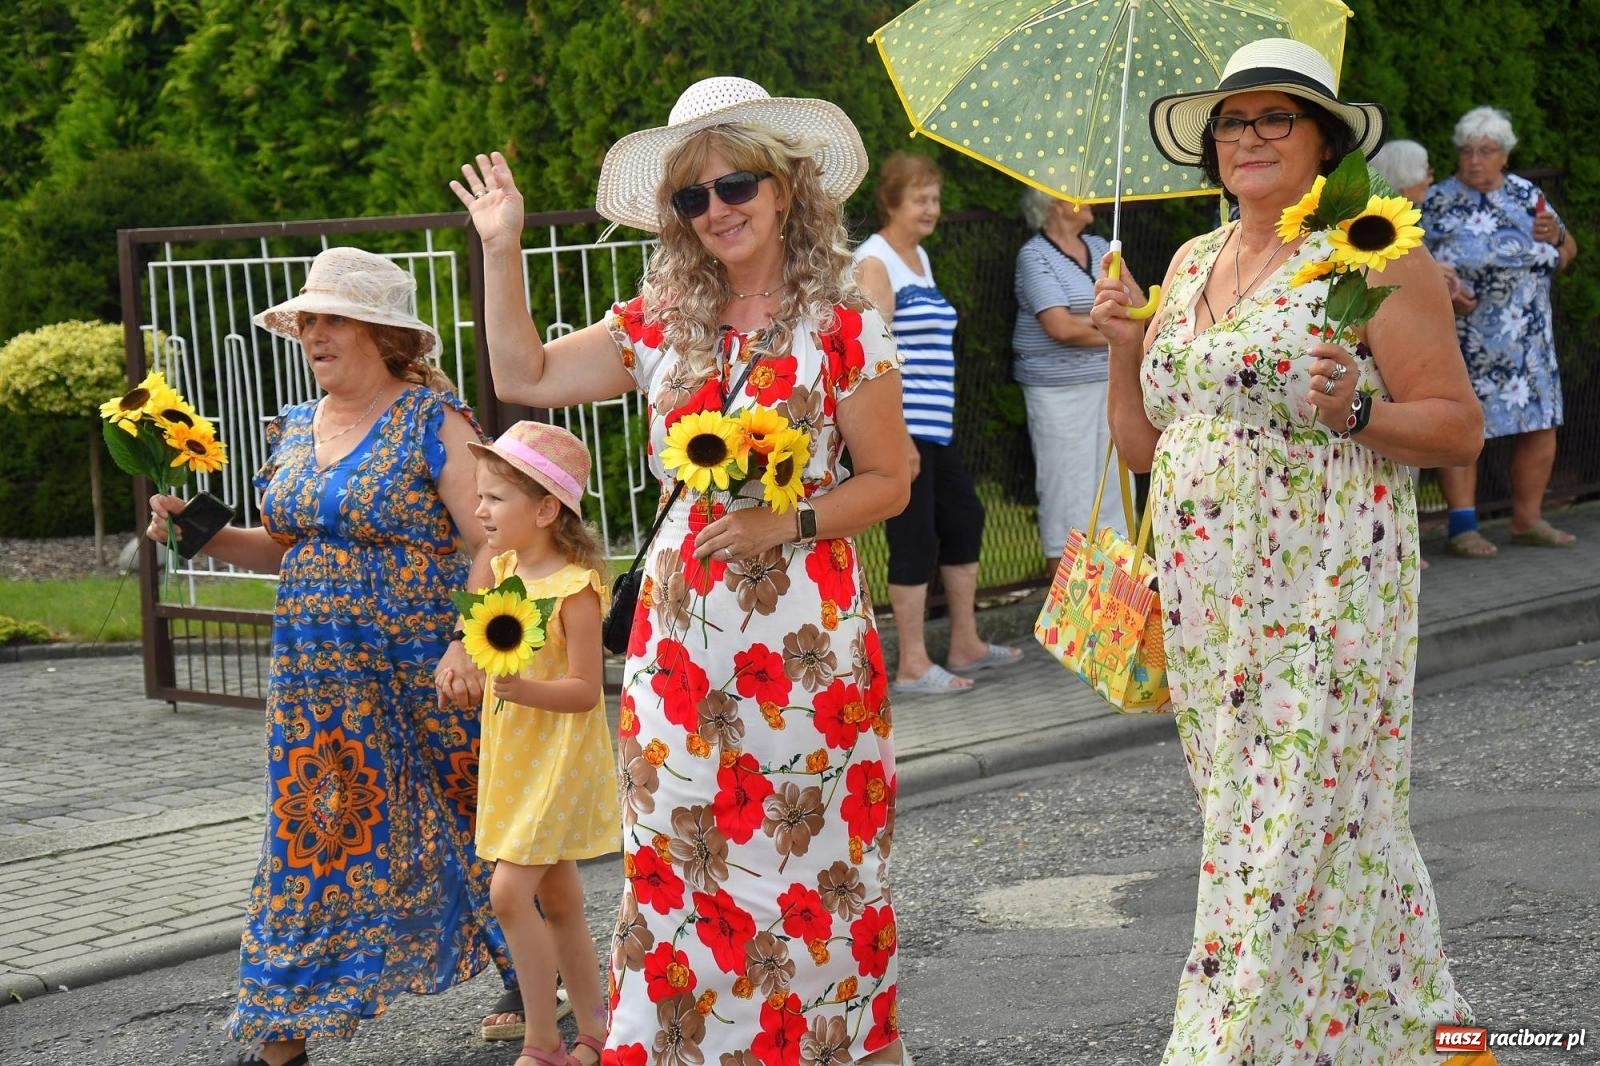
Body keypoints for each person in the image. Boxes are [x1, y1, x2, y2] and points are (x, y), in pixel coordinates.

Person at [454, 75, 913, 1065]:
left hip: (805, 643)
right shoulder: (663, 319)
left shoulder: (841, 316)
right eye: (693, 198)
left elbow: (890, 480)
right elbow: (521, 376)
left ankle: (816, 1042)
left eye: (735, 185)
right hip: (679, 643)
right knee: (680, 856)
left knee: (808, 849)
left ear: (786, 185)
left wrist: (782, 520)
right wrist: (501, 249)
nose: (717, 212)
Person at [1096, 39, 1493, 1063]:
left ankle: (1222, 1044)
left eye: (1276, 117)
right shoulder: (1189, 262)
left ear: (1323, 141)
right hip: (1207, 604)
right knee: (1304, 830)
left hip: (1324, 587)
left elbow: (1456, 428)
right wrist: (1125, 348)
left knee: (1290, 820)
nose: (1249, 137)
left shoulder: (1368, 253)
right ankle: (1396, 1038)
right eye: (1232, 121)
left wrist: (1357, 409)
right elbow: (1148, 446)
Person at [146, 247, 508, 1066]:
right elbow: (284, 548)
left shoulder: (432, 420)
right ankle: (281, 1032)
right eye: (306, 319)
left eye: (332, 317)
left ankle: (539, 977)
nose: (313, 332)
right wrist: (200, 533)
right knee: (313, 836)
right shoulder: (295, 425)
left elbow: (493, 536)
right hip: (315, 681)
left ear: (382, 333)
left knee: (476, 821)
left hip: (422, 669)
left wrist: (467, 639)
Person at [459, 420, 620, 1066]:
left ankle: (542, 1040)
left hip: (556, 762)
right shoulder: (501, 571)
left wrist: (522, 689)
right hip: (515, 759)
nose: (479, 510)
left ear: (547, 509)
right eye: (480, 496)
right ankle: (596, 1032)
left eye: (495, 498)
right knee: (558, 899)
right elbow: (490, 645)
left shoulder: (574, 592)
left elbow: (585, 691)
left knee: (507, 893)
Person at [854, 152, 1022, 695]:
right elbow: (873, 356)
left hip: (936, 425)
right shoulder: (876, 262)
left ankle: (965, 642)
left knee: (965, 517)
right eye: (920, 199)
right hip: (902, 427)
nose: (931, 209)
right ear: (891, 202)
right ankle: (912, 665)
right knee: (914, 537)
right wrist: (895, 437)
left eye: (935, 198)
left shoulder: (918, 256)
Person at [1423, 106, 1579, 558]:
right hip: (1466, 336)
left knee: (1539, 424)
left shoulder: (1528, 196)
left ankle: (1527, 519)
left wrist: (1556, 242)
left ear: (1504, 156)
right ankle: (1462, 526)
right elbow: (1411, 266)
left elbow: (1568, 250)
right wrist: (1445, 291)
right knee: (1464, 429)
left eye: (1486, 151)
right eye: (1467, 151)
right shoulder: (1436, 201)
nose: (1474, 159)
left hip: (1529, 337)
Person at [1010, 187, 1122, 568]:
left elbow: (1132, 307)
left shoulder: (1103, 246)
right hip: (1057, 391)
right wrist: (1113, 333)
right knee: (1067, 493)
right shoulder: (1034, 254)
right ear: (1056, 204)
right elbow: (1060, 326)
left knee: (1111, 494)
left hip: (1108, 385)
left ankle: (1115, 607)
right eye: (1078, 193)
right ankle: (1069, 609)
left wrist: (1114, 326)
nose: (1091, 196)